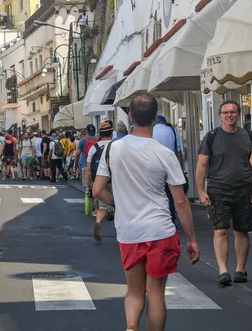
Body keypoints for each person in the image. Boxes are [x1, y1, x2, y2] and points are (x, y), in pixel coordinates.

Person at [93, 94, 199, 331]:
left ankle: (131, 327)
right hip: (160, 231)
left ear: (130, 116)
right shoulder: (165, 154)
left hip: (129, 232)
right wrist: (192, 239)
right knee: (156, 294)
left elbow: (97, 190)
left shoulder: (113, 149)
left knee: (134, 291)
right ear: (155, 117)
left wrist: (119, 204)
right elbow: (181, 202)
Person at [196, 100, 252, 286]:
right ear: (220, 116)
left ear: (238, 114)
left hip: (244, 189)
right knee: (220, 230)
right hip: (218, 189)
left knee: (242, 230)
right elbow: (201, 165)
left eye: (233, 112)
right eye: (225, 113)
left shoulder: (249, 135)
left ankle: (240, 269)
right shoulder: (212, 137)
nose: (229, 115)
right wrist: (201, 191)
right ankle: (223, 270)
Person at [153, 115, 185, 225]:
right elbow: (179, 149)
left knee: (157, 192)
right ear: (165, 122)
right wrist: (181, 168)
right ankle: (171, 218)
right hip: (171, 165)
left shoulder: (150, 131)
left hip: (154, 166)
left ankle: (159, 218)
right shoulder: (172, 130)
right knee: (171, 193)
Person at [86, 121, 114, 242]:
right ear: (112, 133)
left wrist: (88, 186)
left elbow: (88, 169)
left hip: (99, 179)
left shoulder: (94, 148)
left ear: (100, 134)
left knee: (102, 205)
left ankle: (98, 222)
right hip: (115, 179)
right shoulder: (116, 145)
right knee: (120, 204)